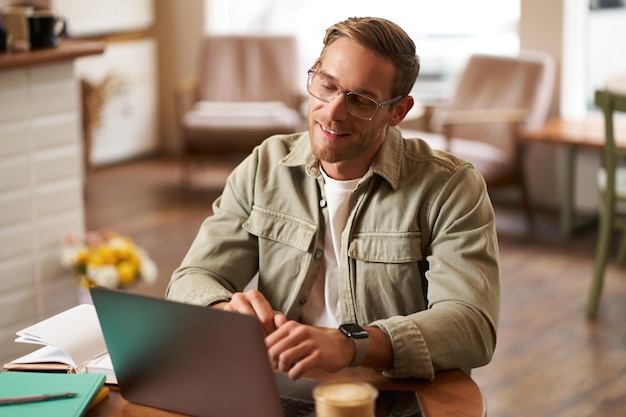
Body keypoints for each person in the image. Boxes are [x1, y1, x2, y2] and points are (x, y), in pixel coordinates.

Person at [167, 16, 500, 381]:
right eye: (327, 85)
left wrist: (349, 344)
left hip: (392, 393)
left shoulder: (450, 187)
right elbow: (192, 277)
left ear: (398, 111)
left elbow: (472, 325)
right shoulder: (265, 164)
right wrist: (222, 307)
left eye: (361, 101)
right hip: (284, 384)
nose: (333, 111)